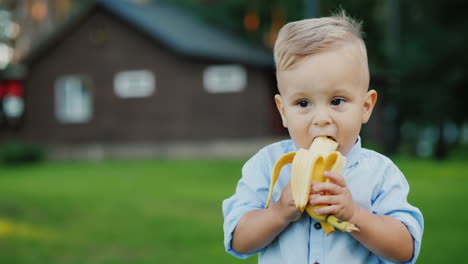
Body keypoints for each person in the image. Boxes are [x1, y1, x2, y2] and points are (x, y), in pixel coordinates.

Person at [222, 11, 423, 264]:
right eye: (303, 103)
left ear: (365, 107)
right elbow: (238, 239)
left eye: (337, 101)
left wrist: (354, 214)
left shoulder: (380, 174)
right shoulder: (266, 165)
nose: (321, 118)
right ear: (283, 111)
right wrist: (279, 212)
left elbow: (404, 249)